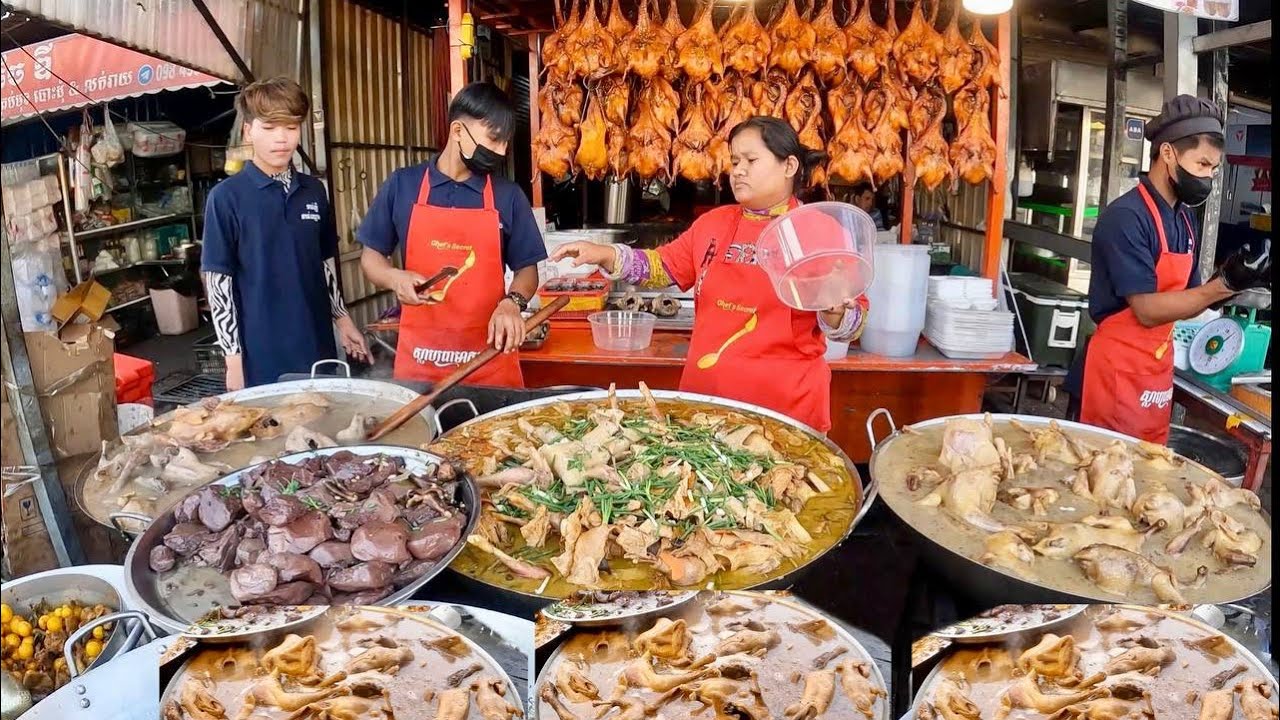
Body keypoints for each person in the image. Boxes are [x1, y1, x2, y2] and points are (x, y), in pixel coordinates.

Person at [552, 117, 868, 432]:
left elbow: (852, 325)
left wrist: (836, 312)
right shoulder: (713, 224)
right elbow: (661, 267)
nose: (738, 170)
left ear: (789, 166)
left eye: (751, 160)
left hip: (785, 410)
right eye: (735, 161)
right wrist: (606, 254)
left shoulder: (820, 229)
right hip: (707, 403)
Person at [1076, 94, 1271, 443]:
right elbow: (1147, 310)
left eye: (1214, 169)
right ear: (1167, 153)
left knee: (1151, 459)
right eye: (1202, 164)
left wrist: (1238, 280)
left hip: (1156, 365)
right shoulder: (1127, 217)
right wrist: (1223, 285)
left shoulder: (1183, 219)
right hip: (1118, 367)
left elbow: (1192, 299)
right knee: (1110, 461)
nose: (1208, 177)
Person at [359, 82, 545, 387]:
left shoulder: (507, 195)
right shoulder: (403, 185)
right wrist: (394, 278)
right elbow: (371, 257)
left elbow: (527, 269)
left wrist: (512, 303)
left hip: (489, 360)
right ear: (457, 131)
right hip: (420, 367)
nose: (501, 152)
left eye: (505, 143)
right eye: (494, 139)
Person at [203, 77, 368, 390]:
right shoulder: (226, 198)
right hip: (261, 354)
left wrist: (342, 319)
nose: (281, 139)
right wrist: (233, 361)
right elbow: (218, 284)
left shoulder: (314, 191)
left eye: (291, 127)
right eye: (269, 128)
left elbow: (323, 265)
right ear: (248, 131)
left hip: (317, 344)